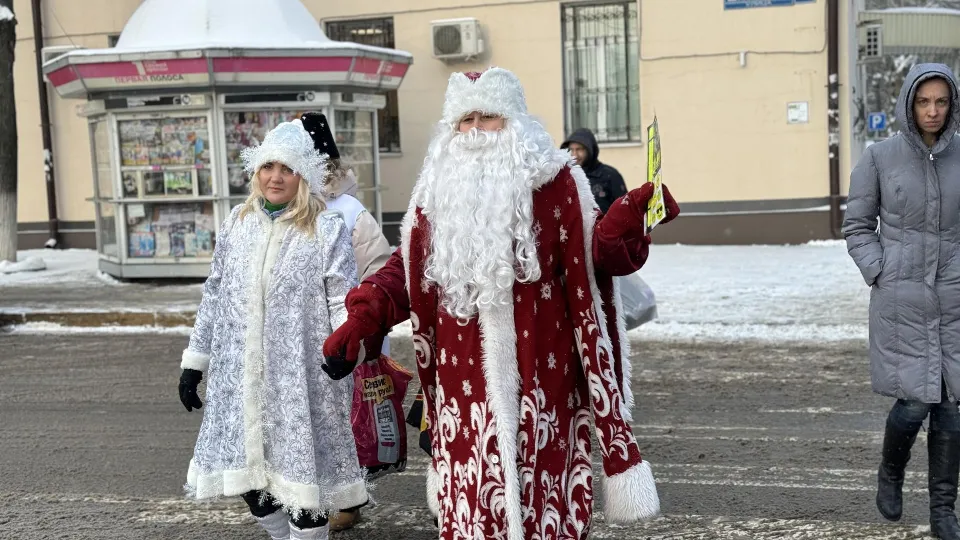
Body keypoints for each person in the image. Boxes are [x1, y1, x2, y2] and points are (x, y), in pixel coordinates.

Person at [320, 68, 679, 540]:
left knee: (549, 513)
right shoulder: (434, 191)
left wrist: (629, 222)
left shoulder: (560, 184)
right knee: (471, 513)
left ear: (513, 121)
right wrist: (363, 318)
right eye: (464, 120)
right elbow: (404, 271)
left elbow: (596, 256)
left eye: (487, 117)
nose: (473, 131)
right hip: (461, 393)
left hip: (546, 388)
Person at [177, 118, 367, 540]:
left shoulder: (325, 228)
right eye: (268, 167)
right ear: (256, 172)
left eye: (286, 169)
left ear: (304, 176)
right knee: (251, 485)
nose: (275, 177)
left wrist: (344, 348)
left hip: (302, 380)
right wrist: (195, 362)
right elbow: (215, 293)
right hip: (240, 378)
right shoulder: (237, 224)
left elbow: (341, 297)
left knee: (303, 489)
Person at [844, 63, 960, 539]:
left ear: (952, 105)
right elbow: (857, 227)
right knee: (914, 403)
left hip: (955, 298)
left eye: (941, 102)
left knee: (952, 407)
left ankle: (943, 511)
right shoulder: (879, 157)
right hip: (902, 298)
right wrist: (880, 270)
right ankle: (890, 472)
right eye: (923, 101)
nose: (932, 111)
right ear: (909, 103)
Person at [299, 111, 396, 532]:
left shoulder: (348, 211)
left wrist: (366, 329)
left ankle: (348, 501)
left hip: (348, 333)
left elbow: (378, 269)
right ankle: (310, 494)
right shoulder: (286, 208)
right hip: (301, 336)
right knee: (308, 420)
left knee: (348, 420)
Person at [561, 128, 628, 214]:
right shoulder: (566, 176)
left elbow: (625, 210)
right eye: (571, 150)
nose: (574, 155)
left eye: (579, 149)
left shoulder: (610, 175)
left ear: (590, 150)